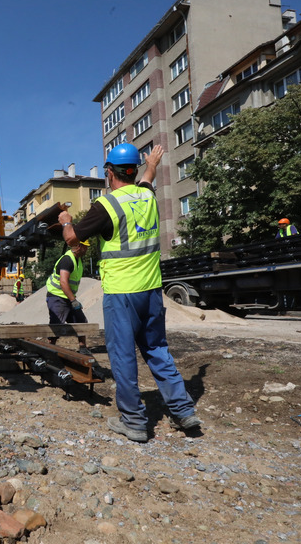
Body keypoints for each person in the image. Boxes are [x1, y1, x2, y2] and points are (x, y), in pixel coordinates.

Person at [58, 143, 200, 443]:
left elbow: (72, 238)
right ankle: (184, 411)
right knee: (157, 351)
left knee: (123, 357)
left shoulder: (105, 206)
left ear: (109, 173)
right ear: (133, 170)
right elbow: (147, 180)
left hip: (122, 295)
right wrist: (153, 163)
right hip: (151, 292)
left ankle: (134, 422)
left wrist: (66, 221)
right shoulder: (147, 196)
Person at [45, 241, 91, 355]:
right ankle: (50, 348)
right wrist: (73, 301)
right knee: (57, 324)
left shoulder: (78, 260)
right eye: (86, 247)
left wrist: (72, 299)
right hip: (57, 296)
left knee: (81, 321)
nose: (87, 250)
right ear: (79, 247)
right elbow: (63, 283)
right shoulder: (67, 260)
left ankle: (83, 347)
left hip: (68, 296)